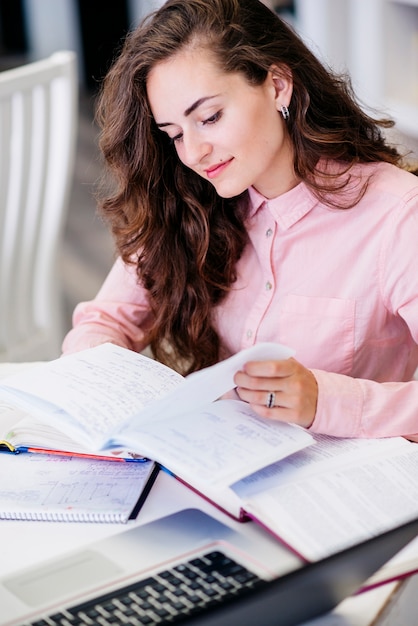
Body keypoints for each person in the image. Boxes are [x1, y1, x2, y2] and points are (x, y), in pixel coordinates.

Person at [62, 0, 418, 441]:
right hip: (220, 467)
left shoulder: (397, 216)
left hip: (345, 486)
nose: (193, 153)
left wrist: (324, 402)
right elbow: (103, 322)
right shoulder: (190, 201)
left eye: (209, 118)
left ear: (278, 85)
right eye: (174, 133)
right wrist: (109, 372)